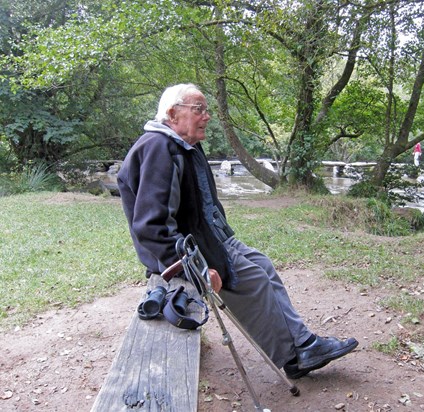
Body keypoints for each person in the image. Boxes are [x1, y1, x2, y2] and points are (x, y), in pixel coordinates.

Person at [117, 83, 358, 380]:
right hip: (182, 254)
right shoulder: (159, 148)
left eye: (207, 110)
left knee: (263, 265)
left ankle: (303, 343)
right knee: (254, 279)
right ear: (172, 113)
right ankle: (292, 356)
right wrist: (196, 269)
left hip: (211, 238)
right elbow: (151, 226)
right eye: (199, 110)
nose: (207, 117)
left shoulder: (184, 145)